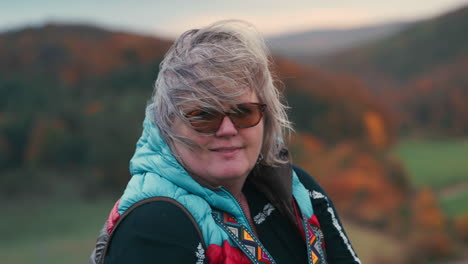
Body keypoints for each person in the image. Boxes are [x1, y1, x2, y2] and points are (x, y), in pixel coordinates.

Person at [89, 20, 361, 264]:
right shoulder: (154, 226)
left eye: (244, 112)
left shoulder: (294, 188)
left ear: (266, 117)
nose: (228, 129)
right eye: (204, 116)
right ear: (167, 124)